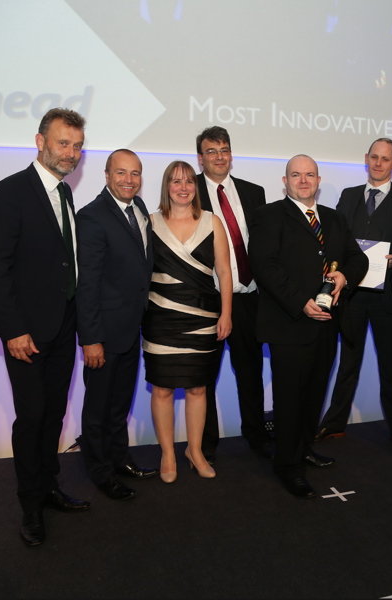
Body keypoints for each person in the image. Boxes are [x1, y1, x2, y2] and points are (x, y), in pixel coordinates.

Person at [0, 108, 90, 546]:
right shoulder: (10, 192)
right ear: (40, 141)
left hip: (64, 326)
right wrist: (13, 329)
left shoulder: (65, 195)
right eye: (63, 143)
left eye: (78, 146)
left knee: (54, 416)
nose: (71, 153)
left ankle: (48, 487)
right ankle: (30, 506)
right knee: (31, 418)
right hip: (26, 332)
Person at [248, 155, 368, 499]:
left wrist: (346, 274)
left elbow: (356, 258)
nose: (303, 180)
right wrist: (302, 302)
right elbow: (265, 267)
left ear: (318, 179)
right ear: (284, 181)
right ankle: (288, 466)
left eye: (309, 175)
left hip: (327, 325)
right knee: (289, 400)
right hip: (290, 324)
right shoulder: (268, 216)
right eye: (296, 175)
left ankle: (303, 449)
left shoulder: (334, 218)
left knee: (315, 395)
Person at [316, 138, 392, 453]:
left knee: (390, 366)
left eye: (385, 159)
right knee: (347, 362)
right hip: (351, 296)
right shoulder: (348, 197)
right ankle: (334, 424)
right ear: (366, 159)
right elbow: (335, 242)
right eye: (374, 157)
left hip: (388, 297)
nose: (378, 163)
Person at [75, 149, 159, 501]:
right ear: (106, 175)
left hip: (131, 328)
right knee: (97, 409)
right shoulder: (92, 217)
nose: (129, 179)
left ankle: (120, 458)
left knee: (119, 404)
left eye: (135, 173)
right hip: (104, 334)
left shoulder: (138, 209)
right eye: (121, 172)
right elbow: (87, 284)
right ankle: (100, 472)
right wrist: (91, 338)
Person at [142, 161, 233, 482]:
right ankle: (168, 453)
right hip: (160, 320)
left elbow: (224, 272)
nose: (183, 188)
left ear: (196, 187)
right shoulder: (148, 222)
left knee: (198, 388)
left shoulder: (213, 222)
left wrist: (226, 314)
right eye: (176, 182)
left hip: (204, 320)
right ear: (167, 186)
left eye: (189, 182)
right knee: (163, 389)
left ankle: (194, 451)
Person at [195, 126, 271, 462]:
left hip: (249, 298)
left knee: (251, 371)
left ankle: (256, 436)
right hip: (208, 299)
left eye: (224, 149)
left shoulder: (255, 193)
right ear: (200, 159)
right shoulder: (187, 191)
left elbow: (265, 247)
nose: (219, 156)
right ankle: (206, 444)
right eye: (211, 151)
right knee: (205, 376)